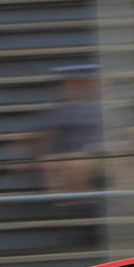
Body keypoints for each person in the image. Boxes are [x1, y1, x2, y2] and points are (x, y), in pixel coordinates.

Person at [16, 64, 104, 195]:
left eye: (83, 83)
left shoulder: (111, 108)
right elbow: (40, 140)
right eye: (70, 84)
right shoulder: (57, 113)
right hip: (73, 163)